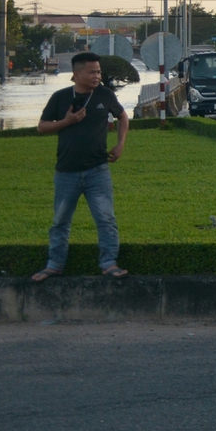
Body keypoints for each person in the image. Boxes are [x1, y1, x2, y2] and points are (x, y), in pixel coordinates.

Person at [32, 52, 130, 282]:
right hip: (67, 172)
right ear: (76, 75)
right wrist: (67, 121)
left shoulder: (105, 95)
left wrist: (120, 145)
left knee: (106, 219)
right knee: (60, 221)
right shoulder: (60, 97)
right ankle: (54, 264)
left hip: (98, 170)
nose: (98, 76)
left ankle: (109, 263)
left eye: (99, 72)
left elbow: (123, 117)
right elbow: (41, 127)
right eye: (92, 72)